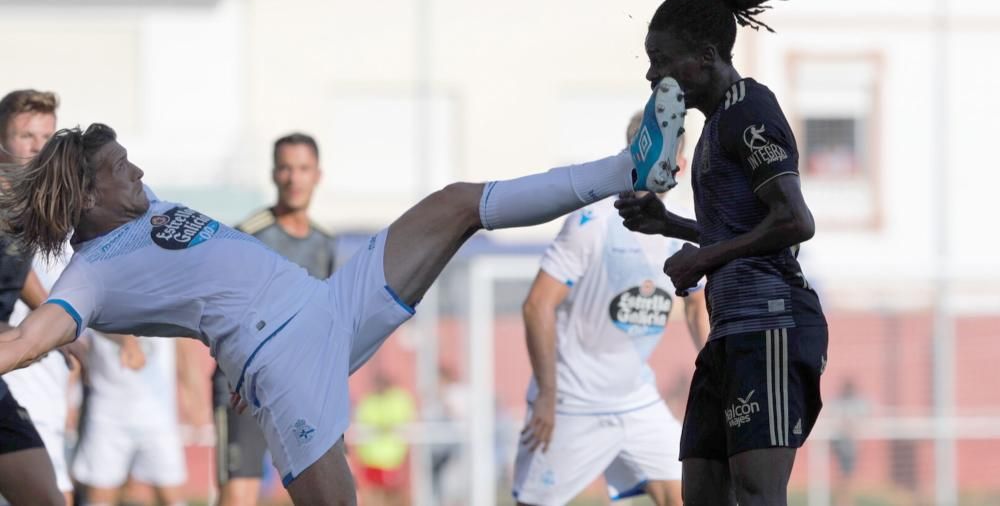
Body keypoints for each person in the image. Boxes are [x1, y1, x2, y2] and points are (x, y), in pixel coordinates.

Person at [0, 85, 683, 505]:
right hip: (282, 365)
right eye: (122, 167)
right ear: (90, 195)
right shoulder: (87, 275)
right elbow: (28, 340)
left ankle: (632, 166)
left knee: (454, 203)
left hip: (329, 302)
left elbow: (190, 291)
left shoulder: (145, 207)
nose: (140, 169)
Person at [615, 0, 828, 506]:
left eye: (661, 58)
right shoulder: (712, 128)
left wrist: (704, 256)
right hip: (729, 333)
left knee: (757, 494)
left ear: (704, 56)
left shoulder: (749, 110)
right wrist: (668, 224)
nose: (653, 73)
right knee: (703, 495)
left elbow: (794, 222)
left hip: (772, 325)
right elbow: (739, 227)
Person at [513, 112, 709, 506]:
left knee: (687, 495)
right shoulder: (593, 222)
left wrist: (718, 377)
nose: (662, 165)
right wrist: (548, 395)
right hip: (571, 401)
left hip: (635, 398)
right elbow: (536, 307)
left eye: (668, 156)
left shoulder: (681, 235)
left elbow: (695, 308)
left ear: (681, 165)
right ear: (632, 154)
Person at [212, 132, 337, 506]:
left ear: (318, 175)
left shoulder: (325, 242)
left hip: (300, 390)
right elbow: (220, 312)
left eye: (302, 169)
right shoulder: (248, 235)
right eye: (285, 168)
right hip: (244, 389)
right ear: (273, 174)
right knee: (240, 495)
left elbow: (325, 321)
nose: (293, 178)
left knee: (325, 491)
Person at [0, 90, 75, 506]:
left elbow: (15, 267)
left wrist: (55, 317)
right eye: (24, 135)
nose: (36, 148)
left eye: (46, 138)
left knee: (47, 498)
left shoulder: (27, 203)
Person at [71, 334, 199, 506]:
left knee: (172, 495)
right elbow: (77, 348)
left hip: (158, 416)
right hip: (107, 415)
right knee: (100, 495)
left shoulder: (164, 307)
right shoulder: (94, 306)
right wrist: (70, 399)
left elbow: (183, 346)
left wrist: (193, 398)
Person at [353, 370, 416, 506]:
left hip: (392, 458)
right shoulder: (369, 400)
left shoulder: (399, 398)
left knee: (394, 494)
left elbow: (402, 421)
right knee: (373, 493)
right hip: (371, 458)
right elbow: (364, 421)